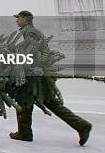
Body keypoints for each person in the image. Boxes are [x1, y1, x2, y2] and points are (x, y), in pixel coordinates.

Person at [10, 10, 92, 146]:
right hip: (40, 73)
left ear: (25, 18)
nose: (16, 21)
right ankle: (81, 125)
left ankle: (25, 133)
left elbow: (31, 53)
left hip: (35, 75)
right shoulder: (31, 31)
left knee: (24, 100)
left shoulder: (30, 32)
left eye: (18, 18)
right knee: (51, 103)